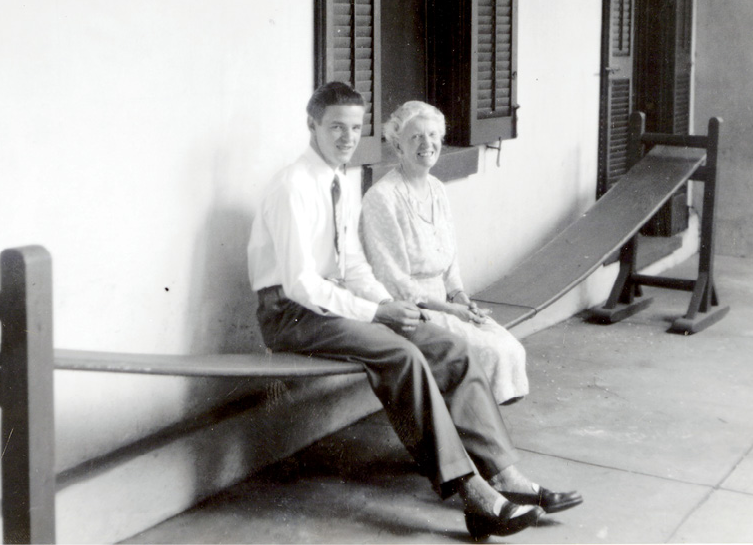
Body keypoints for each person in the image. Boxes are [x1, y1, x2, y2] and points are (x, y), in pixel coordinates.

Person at [247, 82, 582, 539]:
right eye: (336, 128)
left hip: (331, 301)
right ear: (312, 126)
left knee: (449, 346)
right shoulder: (293, 186)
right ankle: (471, 492)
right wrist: (376, 315)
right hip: (290, 313)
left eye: (355, 128)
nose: (347, 138)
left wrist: (387, 304)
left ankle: (504, 475)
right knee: (400, 355)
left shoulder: (340, 180)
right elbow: (301, 285)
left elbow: (354, 266)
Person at [360, 101, 528, 405]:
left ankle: (478, 426)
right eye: (416, 137)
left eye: (433, 135)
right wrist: (450, 310)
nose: (427, 144)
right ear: (398, 145)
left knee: (510, 348)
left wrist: (460, 296)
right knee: (491, 352)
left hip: (445, 304)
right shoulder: (382, 198)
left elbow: (449, 258)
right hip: (409, 313)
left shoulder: (436, 188)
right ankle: (470, 430)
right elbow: (393, 282)